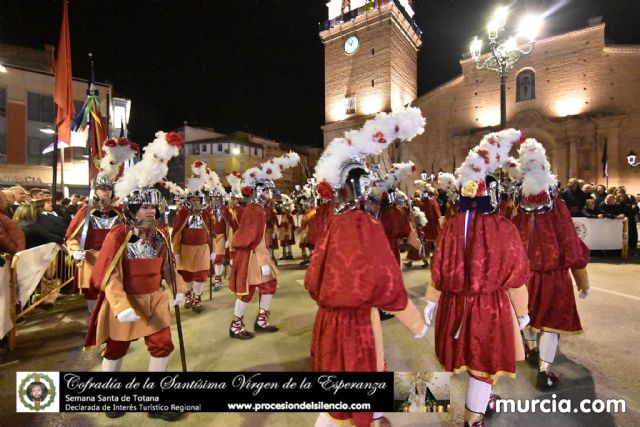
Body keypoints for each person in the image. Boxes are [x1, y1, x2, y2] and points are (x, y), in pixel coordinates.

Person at [308, 106, 427, 427]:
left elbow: (312, 280)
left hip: (326, 324)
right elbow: (388, 286)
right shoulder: (366, 225)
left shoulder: (332, 223)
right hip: (358, 325)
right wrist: (416, 323)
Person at [425, 129, 531, 427]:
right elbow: (515, 277)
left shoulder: (450, 227)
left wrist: (432, 301)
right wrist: (522, 312)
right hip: (489, 308)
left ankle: (485, 399)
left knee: (478, 364)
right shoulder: (503, 229)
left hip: (454, 305)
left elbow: (439, 269)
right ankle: (473, 420)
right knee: (483, 365)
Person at [83, 130, 185, 422]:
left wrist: (177, 286)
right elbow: (108, 274)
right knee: (116, 348)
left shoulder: (161, 234)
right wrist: (120, 305)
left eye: (153, 206)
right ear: (132, 207)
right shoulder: (119, 234)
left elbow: (168, 265)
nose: (151, 210)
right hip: (125, 302)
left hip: (154, 299)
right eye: (145, 206)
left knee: (163, 344)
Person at [512, 138, 590, 391]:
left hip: (524, 274)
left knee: (529, 315)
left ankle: (531, 348)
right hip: (554, 275)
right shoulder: (556, 206)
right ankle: (544, 371)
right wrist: (582, 279)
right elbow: (570, 242)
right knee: (551, 324)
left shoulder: (519, 208)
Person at [228, 152, 299, 340]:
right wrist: (261, 260)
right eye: (266, 191)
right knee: (246, 291)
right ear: (259, 191)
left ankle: (261, 320)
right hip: (252, 256)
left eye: (269, 192)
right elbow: (248, 238)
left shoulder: (259, 209)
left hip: (258, 254)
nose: (269, 195)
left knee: (269, 285)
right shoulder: (255, 210)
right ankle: (236, 326)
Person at [65, 138, 136, 313]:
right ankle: (93, 318)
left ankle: (108, 318)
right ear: (94, 190)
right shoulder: (85, 211)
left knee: (114, 288)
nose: (106, 192)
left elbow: (129, 235)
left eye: (109, 189)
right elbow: (71, 237)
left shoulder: (120, 212)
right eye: (102, 189)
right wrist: (75, 251)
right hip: (91, 258)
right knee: (92, 290)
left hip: (114, 256)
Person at [171, 161, 214, 312]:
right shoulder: (182, 213)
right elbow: (176, 233)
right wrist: (176, 253)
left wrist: (213, 250)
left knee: (201, 274)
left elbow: (211, 232)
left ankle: (197, 297)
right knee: (186, 274)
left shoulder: (206, 213)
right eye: (193, 200)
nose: (195, 202)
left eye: (197, 200)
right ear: (188, 200)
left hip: (202, 248)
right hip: (185, 249)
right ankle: (188, 294)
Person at [0, 190, 25, 256]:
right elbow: (1, 237)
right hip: (10, 256)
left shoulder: (3, 214)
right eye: (3, 198)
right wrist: (14, 250)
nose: (6, 201)